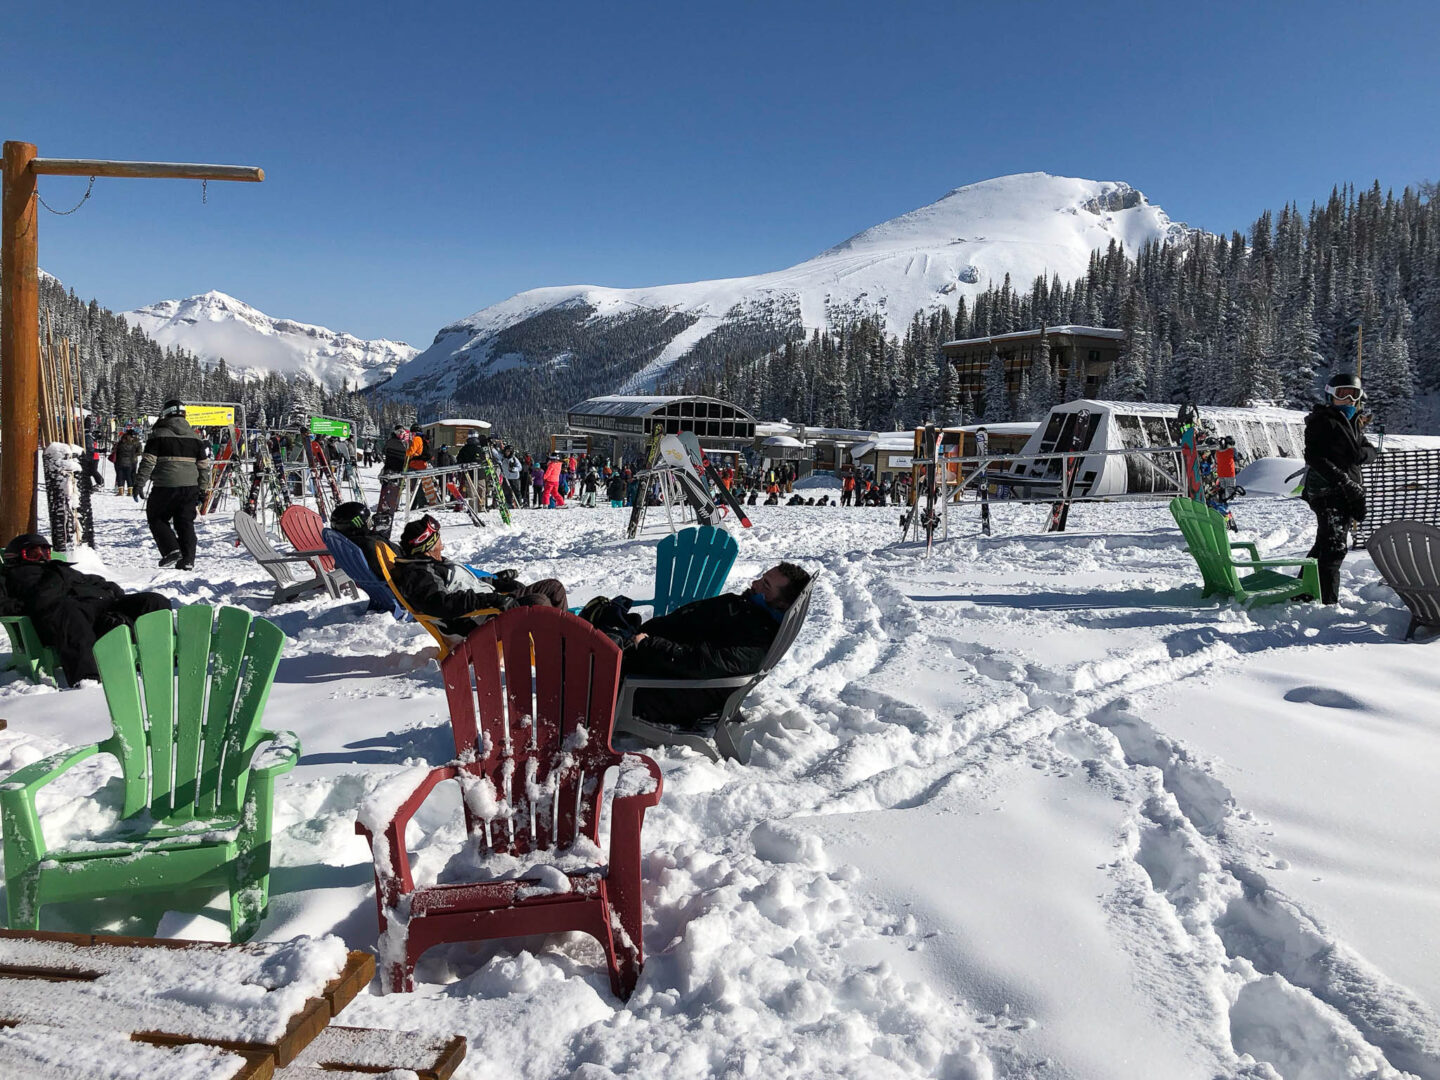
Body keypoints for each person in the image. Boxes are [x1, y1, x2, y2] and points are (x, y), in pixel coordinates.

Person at [583, 562, 812, 729]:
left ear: (782, 603)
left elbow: (699, 662)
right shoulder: (748, 612)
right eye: (761, 579)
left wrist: (648, 645)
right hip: (639, 650)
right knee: (561, 599)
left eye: (766, 586)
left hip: (647, 683)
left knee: (564, 636)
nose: (754, 584)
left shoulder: (754, 641)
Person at [0, 533, 171, 685]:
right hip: (64, 621)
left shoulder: (59, 569)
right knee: (69, 609)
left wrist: (108, 589)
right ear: (14, 557)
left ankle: (168, 658)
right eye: (33, 553)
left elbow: (93, 581)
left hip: (99, 608)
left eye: (45, 551)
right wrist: (28, 605)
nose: (42, 556)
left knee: (154, 601)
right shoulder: (9, 578)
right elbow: (5, 605)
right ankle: (87, 678)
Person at [388, 515, 567, 636]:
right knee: (539, 602)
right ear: (427, 547)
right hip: (476, 620)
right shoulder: (419, 575)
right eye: (438, 541)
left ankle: (569, 637)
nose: (442, 546)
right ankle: (555, 650)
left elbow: (468, 583)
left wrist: (498, 581)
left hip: (487, 607)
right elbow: (442, 604)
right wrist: (492, 600)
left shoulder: (436, 563)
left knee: (553, 587)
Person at [1302, 371, 1378, 604]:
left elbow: (1371, 451)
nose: (1347, 399)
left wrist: (1360, 454)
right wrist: (1344, 482)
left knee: (1325, 543)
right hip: (1327, 491)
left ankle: (1305, 590)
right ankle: (1326, 601)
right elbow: (1314, 457)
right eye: (1341, 394)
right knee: (1334, 547)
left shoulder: (1354, 422)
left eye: (1352, 394)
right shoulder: (1322, 421)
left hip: (1344, 491)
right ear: (1330, 396)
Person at [135, 399, 212, 570]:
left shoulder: (158, 435)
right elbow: (204, 466)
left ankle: (171, 550)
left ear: (165, 414)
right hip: (190, 486)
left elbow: (148, 461)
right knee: (185, 522)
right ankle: (188, 560)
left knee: (156, 517)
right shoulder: (196, 437)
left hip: (165, 485)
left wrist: (139, 483)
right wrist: (202, 489)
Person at [328, 501, 399, 579]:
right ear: (357, 524)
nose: (371, 524)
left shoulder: (352, 547)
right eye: (367, 521)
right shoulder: (371, 546)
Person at [112, 426, 142, 499]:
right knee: (131, 475)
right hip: (132, 461)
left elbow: (115, 450)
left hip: (122, 461)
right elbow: (139, 452)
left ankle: (121, 490)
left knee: (121, 476)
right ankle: (131, 490)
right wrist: (133, 455)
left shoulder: (121, 442)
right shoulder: (136, 442)